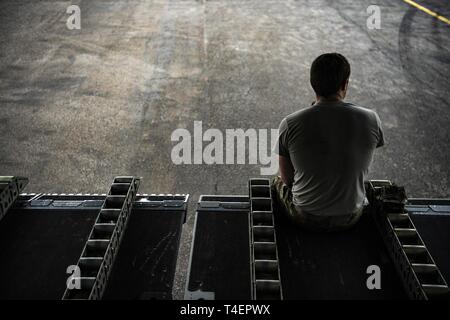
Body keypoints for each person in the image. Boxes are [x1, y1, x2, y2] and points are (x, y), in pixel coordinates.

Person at [272, 53, 384, 232]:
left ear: (313, 84)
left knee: (276, 181)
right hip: (351, 217)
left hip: (305, 217)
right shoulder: (371, 119)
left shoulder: (290, 123)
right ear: (344, 84)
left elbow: (287, 179)